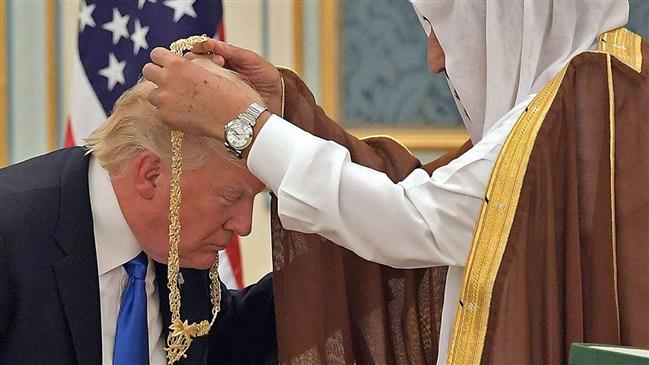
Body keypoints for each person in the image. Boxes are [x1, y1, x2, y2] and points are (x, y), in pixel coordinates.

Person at [144, 1, 649, 363]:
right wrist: (285, 110)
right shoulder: (592, 95)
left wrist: (248, 128)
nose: (435, 59)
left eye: (443, 29)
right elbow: (425, 195)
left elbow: (417, 221)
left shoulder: (593, 105)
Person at [0, 58, 276, 364]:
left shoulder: (178, 247)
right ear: (150, 175)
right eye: (231, 196)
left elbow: (228, 340)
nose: (244, 224)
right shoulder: (10, 233)